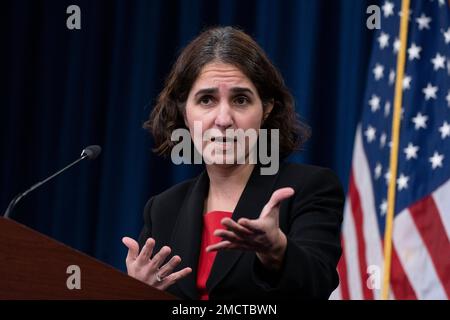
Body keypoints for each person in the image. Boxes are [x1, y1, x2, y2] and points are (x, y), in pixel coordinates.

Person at [122, 26, 344, 300]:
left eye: (240, 99)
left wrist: (277, 252)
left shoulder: (309, 188)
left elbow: (318, 283)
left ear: (266, 109)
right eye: (207, 100)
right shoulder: (163, 209)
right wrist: (139, 293)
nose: (224, 119)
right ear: (184, 111)